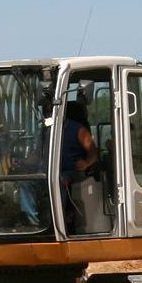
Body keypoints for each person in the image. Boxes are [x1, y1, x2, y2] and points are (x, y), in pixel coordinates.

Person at [59, 99, 99, 233]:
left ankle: (61, 220)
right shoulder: (49, 130)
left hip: (72, 172)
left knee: (60, 180)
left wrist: (86, 163)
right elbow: (37, 154)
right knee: (28, 184)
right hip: (50, 172)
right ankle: (33, 220)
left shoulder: (79, 130)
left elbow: (93, 152)